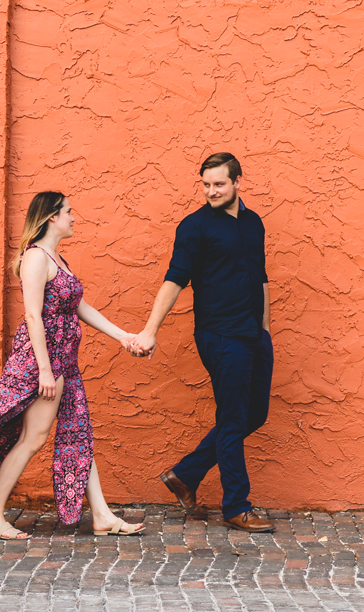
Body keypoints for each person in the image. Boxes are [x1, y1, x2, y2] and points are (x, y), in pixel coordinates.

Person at [0, 191, 145, 539]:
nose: (74, 217)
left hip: (65, 363)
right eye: (69, 212)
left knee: (77, 435)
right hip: (43, 363)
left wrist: (122, 336)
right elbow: (32, 315)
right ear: (52, 217)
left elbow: (79, 307)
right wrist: (45, 368)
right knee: (33, 437)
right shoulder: (36, 259)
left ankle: (102, 516)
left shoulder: (59, 259)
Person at [135, 153, 275, 533]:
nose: (212, 191)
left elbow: (260, 277)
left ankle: (186, 474)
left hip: (253, 335)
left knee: (254, 414)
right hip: (220, 336)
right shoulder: (194, 227)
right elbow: (175, 278)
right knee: (232, 418)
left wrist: (264, 330)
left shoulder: (253, 223)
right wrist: (150, 330)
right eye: (206, 185)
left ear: (238, 182)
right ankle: (236, 506)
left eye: (219, 184)